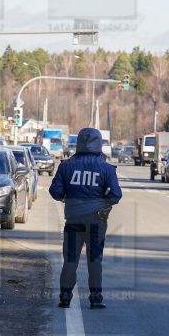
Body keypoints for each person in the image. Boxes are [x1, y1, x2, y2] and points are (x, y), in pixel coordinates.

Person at [49, 127, 122, 309]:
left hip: (73, 219)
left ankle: (65, 297)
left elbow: (55, 192)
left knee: (71, 259)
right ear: (99, 143)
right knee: (95, 259)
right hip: (97, 219)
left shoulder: (66, 166)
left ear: (79, 142)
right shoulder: (106, 168)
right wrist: (103, 200)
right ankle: (95, 298)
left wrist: (67, 197)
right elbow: (115, 196)